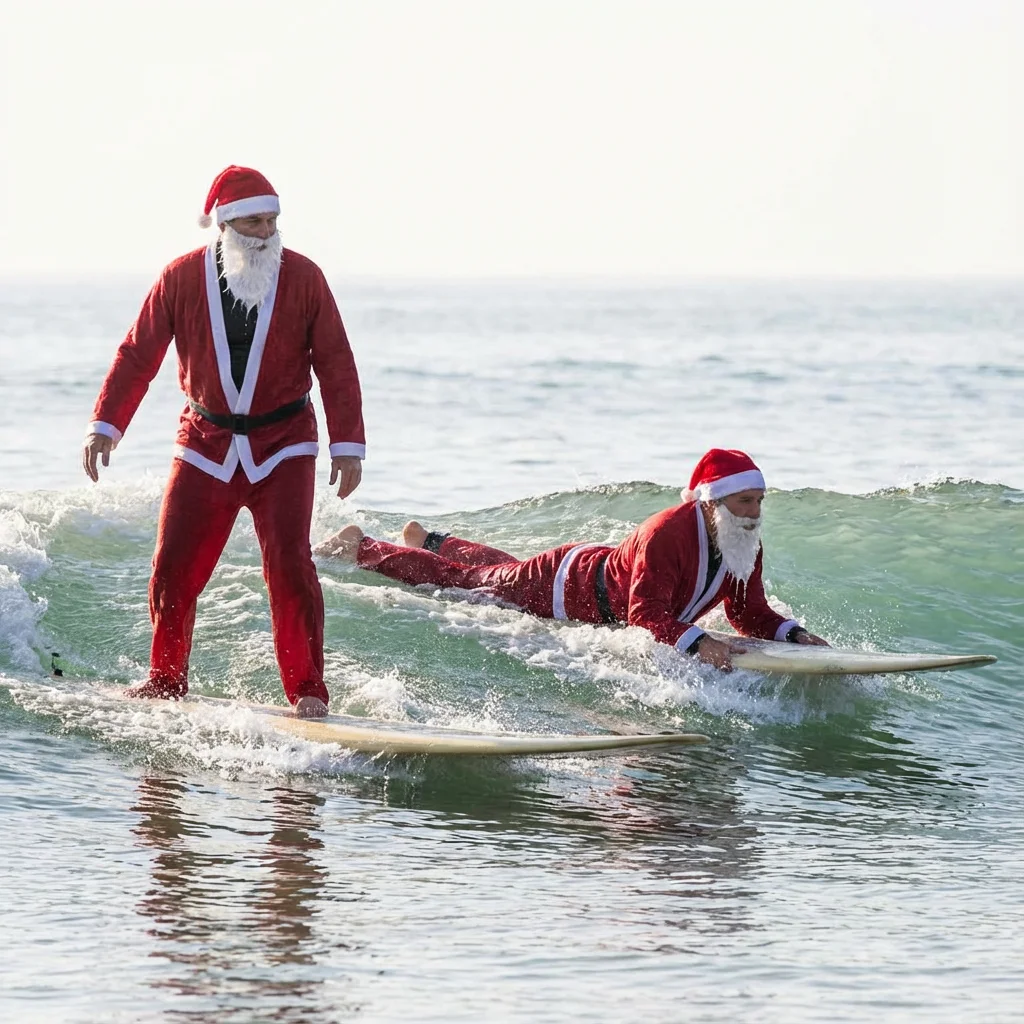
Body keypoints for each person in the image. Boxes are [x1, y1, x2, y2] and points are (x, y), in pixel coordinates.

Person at [83, 165, 365, 717]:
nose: (267, 231)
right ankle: (164, 681)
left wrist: (347, 445)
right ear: (227, 226)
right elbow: (139, 352)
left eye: (273, 220)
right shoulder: (181, 277)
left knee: (289, 567)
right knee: (173, 567)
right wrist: (105, 425)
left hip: (285, 441)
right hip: (204, 439)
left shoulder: (305, 278)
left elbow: (336, 363)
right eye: (255, 222)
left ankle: (307, 692)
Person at [316, 449, 827, 669]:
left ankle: (429, 538)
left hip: (591, 574)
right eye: (745, 502)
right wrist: (701, 644)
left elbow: (747, 612)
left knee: (496, 572)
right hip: (568, 586)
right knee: (470, 584)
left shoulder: (741, 540)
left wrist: (791, 634)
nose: (755, 512)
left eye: (760, 501)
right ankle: (363, 546)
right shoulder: (667, 533)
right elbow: (643, 616)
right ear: (713, 502)